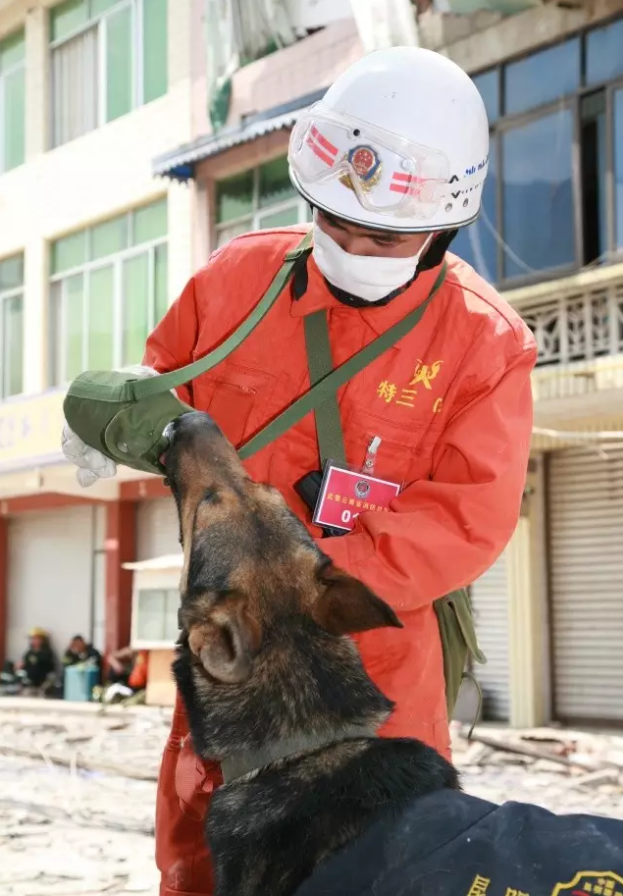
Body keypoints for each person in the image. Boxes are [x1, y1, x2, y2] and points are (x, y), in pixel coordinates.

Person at [61, 47, 537, 896]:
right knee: (204, 857)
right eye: (332, 220)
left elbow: (466, 519)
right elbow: (168, 385)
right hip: (231, 666)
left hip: (373, 671)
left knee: (369, 870)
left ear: (446, 223)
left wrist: (302, 588)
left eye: (382, 234)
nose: (350, 245)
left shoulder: (483, 343)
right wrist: (126, 425)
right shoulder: (236, 279)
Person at [17, 627, 57, 693]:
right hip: (28, 674)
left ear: (42, 640)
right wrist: (20, 664)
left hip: (41, 675)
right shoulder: (30, 652)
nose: (34, 641)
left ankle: (29, 682)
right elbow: (25, 660)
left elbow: (45, 663)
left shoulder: (46, 651)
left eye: (36, 639)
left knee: (35, 667)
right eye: (33, 639)